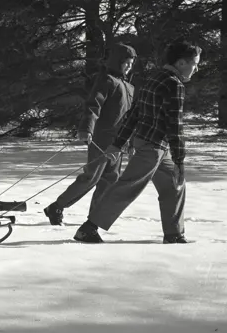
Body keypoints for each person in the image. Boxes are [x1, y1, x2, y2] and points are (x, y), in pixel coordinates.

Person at [73, 38, 202, 244]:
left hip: (151, 145)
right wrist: (180, 159)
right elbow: (175, 125)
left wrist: (118, 143)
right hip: (152, 148)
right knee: (127, 187)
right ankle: (88, 229)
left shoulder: (155, 77)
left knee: (174, 185)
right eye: (194, 64)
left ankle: (174, 234)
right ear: (181, 63)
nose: (196, 68)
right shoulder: (174, 84)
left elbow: (134, 114)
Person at [44, 43, 136, 225]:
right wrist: (87, 128)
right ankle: (57, 206)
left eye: (131, 63)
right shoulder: (107, 80)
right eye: (126, 62)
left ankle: (94, 218)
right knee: (91, 178)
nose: (129, 66)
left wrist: (131, 142)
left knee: (111, 179)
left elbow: (129, 118)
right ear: (117, 61)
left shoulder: (129, 87)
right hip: (101, 140)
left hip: (118, 142)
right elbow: (93, 105)